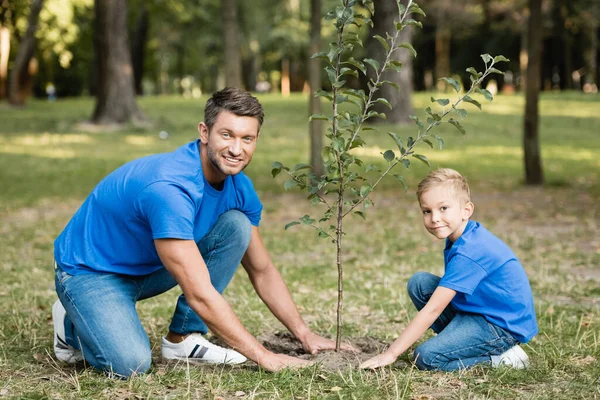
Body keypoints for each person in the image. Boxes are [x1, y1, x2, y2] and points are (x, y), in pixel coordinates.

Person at [52, 87, 353, 378]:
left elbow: (262, 270)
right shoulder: (171, 188)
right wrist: (266, 357)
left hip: (149, 266)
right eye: (227, 135)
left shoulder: (239, 187)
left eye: (247, 138)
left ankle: (183, 339)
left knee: (237, 226)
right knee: (130, 363)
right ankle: (72, 322)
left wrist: (304, 334)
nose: (237, 149)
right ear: (204, 132)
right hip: (90, 271)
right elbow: (200, 294)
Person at [360, 168, 537, 371]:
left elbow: (433, 309)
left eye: (443, 208)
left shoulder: (471, 251)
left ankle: (504, 359)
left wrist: (391, 353)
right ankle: (460, 342)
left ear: (466, 210)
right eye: (427, 211)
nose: (434, 218)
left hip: (501, 327)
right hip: (479, 311)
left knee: (426, 357)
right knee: (420, 283)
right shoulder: (461, 236)